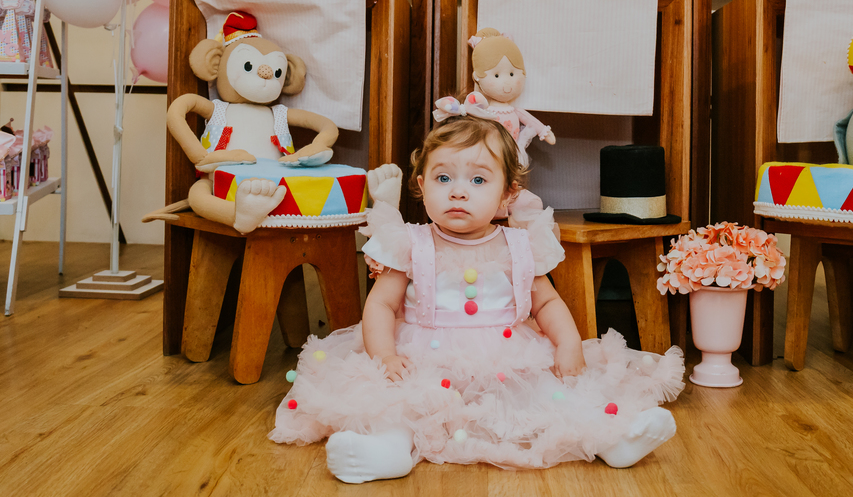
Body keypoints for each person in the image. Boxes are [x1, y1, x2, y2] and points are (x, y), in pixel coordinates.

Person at [270, 113, 684, 482]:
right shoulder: (411, 243)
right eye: (443, 178)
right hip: (423, 356)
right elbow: (381, 304)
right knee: (401, 401)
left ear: (508, 196)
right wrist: (385, 356)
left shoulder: (519, 245)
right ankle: (389, 450)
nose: (458, 192)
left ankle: (612, 440)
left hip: (506, 356)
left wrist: (569, 343)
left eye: (479, 180)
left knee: (549, 394)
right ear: (421, 185)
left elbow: (547, 303)